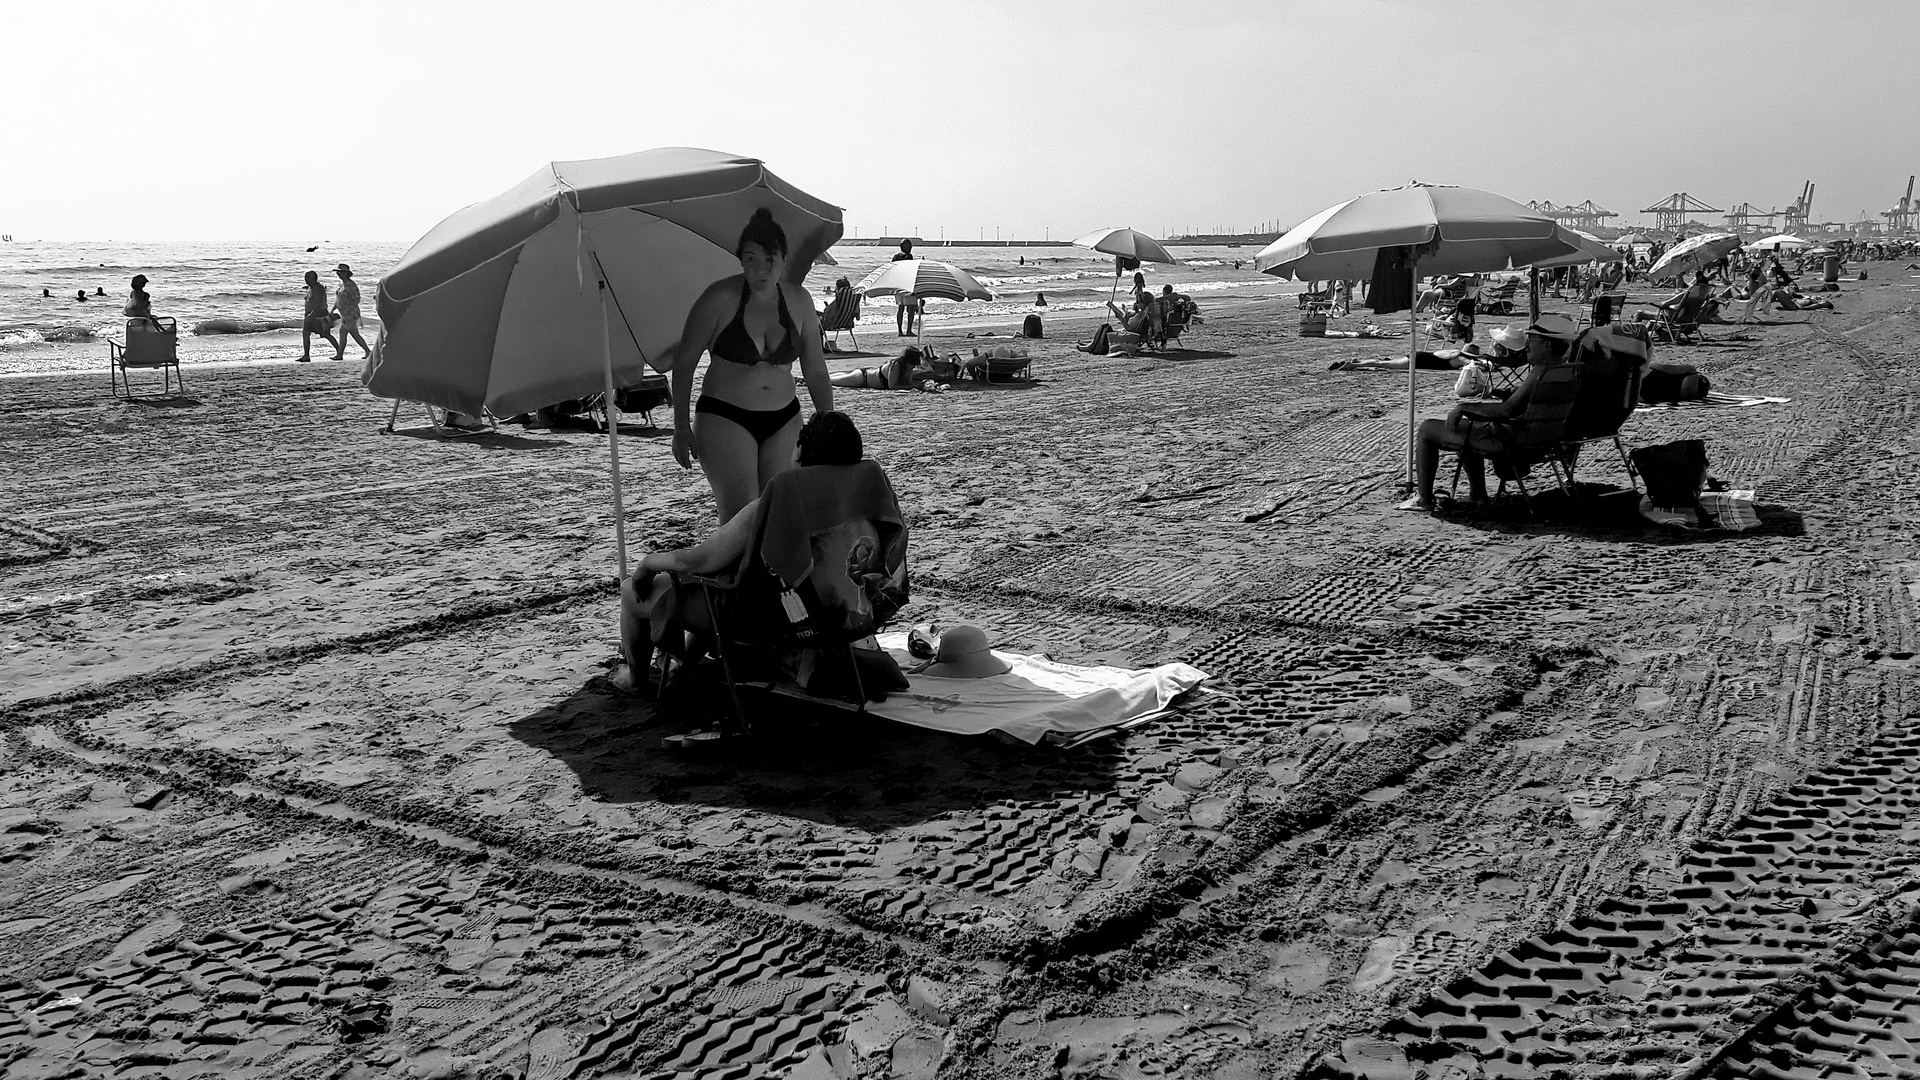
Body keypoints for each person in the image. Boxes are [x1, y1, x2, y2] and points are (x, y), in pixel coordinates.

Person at [609, 410, 870, 694]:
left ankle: (636, 680)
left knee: (632, 592)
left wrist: (648, 563)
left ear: (800, 452)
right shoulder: (859, 506)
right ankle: (682, 668)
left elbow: (699, 560)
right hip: (832, 614)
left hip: (759, 622)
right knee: (727, 579)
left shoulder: (769, 508)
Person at [670, 207, 832, 524]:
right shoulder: (717, 298)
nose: (760, 269)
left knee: (778, 514)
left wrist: (827, 422)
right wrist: (680, 427)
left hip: (785, 417)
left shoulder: (800, 301)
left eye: (770, 260)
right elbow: (685, 361)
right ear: (740, 258)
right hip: (724, 416)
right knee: (742, 518)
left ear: (784, 260)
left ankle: (767, 575)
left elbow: (815, 370)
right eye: (751, 258)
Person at [1395, 313, 1580, 513]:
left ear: (1548, 345)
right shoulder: (1566, 370)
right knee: (1468, 427)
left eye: (1532, 340)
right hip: (1544, 439)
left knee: (1427, 429)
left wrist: (1463, 407)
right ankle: (1477, 495)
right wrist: (1515, 391)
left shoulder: (1540, 372)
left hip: (1512, 440)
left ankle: (1424, 498)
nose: (1527, 345)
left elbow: (1507, 410)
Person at [829, 345, 957, 389]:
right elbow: (892, 386)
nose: (914, 366)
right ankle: (810, 379)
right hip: (862, 378)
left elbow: (909, 381)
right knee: (832, 381)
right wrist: (912, 385)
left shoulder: (905, 367)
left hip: (865, 377)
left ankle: (811, 378)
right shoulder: (896, 366)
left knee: (836, 378)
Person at [298, 270, 339, 363]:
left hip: (318, 315)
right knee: (306, 333)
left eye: (308, 278)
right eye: (305, 278)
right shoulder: (311, 287)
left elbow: (320, 303)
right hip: (310, 314)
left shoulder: (319, 288)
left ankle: (339, 351)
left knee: (326, 334)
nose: (306, 280)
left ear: (314, 279)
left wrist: (312, 314)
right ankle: (306, 355)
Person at [332, 263, 371, 360]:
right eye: (338, 272)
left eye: (341, 272)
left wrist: (349, 311)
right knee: (354, 334)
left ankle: (340, 355)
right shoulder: (341, 284)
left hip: (350, 313)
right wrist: (334, 308)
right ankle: (367, 351)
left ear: (346, 273)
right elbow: (338, 299)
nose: (339, 274)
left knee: (343, 331)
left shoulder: (351, 285)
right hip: (345, 313)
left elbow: (356, 299)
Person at [892, 239, 919, 336]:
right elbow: (910, 270)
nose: (910, 248)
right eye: (909, 246)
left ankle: (900, 331)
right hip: (907, 285)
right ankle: (908, 330)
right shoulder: (908, 256)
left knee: (900, 308)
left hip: (898, 285)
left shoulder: (895, 257)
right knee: (911, 309)